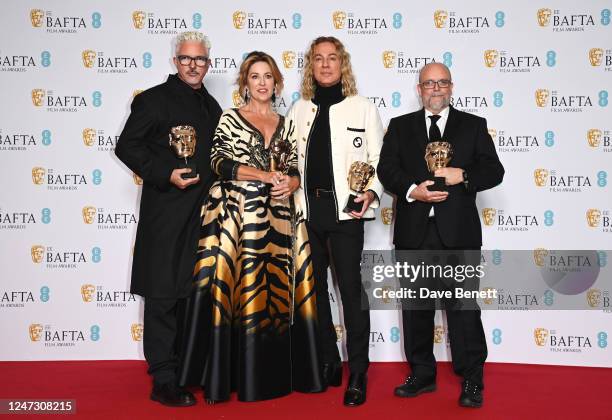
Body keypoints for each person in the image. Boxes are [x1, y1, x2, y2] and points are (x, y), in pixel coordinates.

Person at [178, 51, 324, 403]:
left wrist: (291, 181)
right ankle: (231, 374)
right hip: (238, 217)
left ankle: (275, 373)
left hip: (277, 216)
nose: (262, 83)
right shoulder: (230, 118)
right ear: (245, 83)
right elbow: (218, 161)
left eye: (268, 76)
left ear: (276, 83)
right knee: (238, 287)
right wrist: (261, 175)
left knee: (275, 294)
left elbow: (292, 169)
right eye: (255, 76)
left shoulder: (285, 122)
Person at [377, 62, 504, 408]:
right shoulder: (400, 127)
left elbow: (494, 170)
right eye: (429, 83)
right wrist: (410, 190)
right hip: (414, 232)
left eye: (442, 82)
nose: (436, 89)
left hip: (459, 235)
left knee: (464, 311)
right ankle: (421, 374)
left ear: (451, 87)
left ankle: (472, 379)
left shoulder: (473, 126)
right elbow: (386, 168)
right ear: (419, 89)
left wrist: (462, 175)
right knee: (416, 309)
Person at [115, 31, 222, 407]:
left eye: (201, 60)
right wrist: (165, 173)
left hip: (203, 215)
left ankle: (187, 369)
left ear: (209, 64)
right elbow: (127, 145)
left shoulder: (212, 106)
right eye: (186, 59)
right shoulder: (152, 100)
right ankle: (162, 378)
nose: (194, 66)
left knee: (192, 295)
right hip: (165, 212)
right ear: (175, 61)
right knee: (162, 294)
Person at [287, 36, 384, 407]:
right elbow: (290, 161)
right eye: (318, 59)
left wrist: (371, 192)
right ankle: (329, 359)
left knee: (351, 295)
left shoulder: (363, 108)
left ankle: (358, 370)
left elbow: (378, 159)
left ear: (343, 64)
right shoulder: (299, 109)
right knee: (315, 294)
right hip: (307, 216)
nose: (325, 65)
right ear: (311, 66)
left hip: (347, 215)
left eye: (332, 58)